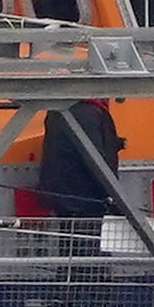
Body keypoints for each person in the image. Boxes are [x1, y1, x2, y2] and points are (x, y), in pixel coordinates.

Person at [37, 97, 123, 265]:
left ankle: (72, 287)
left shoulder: (60, 109)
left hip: (66, 197)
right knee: (87, 259)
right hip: (85, 199)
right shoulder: (87, 113)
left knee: (70, 256)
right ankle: (89, 289)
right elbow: (96, 159)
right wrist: (116, 198)